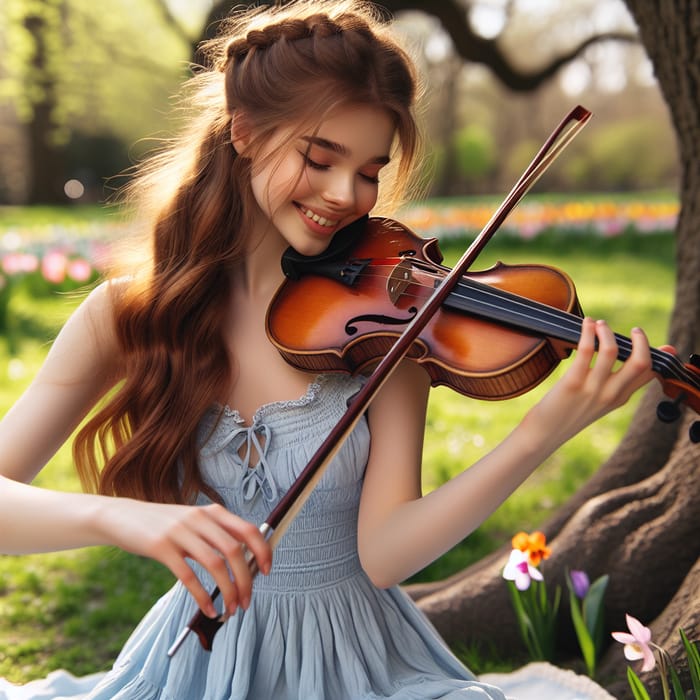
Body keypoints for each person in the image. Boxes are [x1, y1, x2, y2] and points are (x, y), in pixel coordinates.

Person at [0, 1, 658, 698]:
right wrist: (122, 519)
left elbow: (385, 555)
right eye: (320, 158)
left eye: (370, 170)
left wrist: (538, 435)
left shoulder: (388, 329)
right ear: (245, 133)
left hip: (364, 669)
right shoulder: (128, 317)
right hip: (198, 664)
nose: (347, 194)